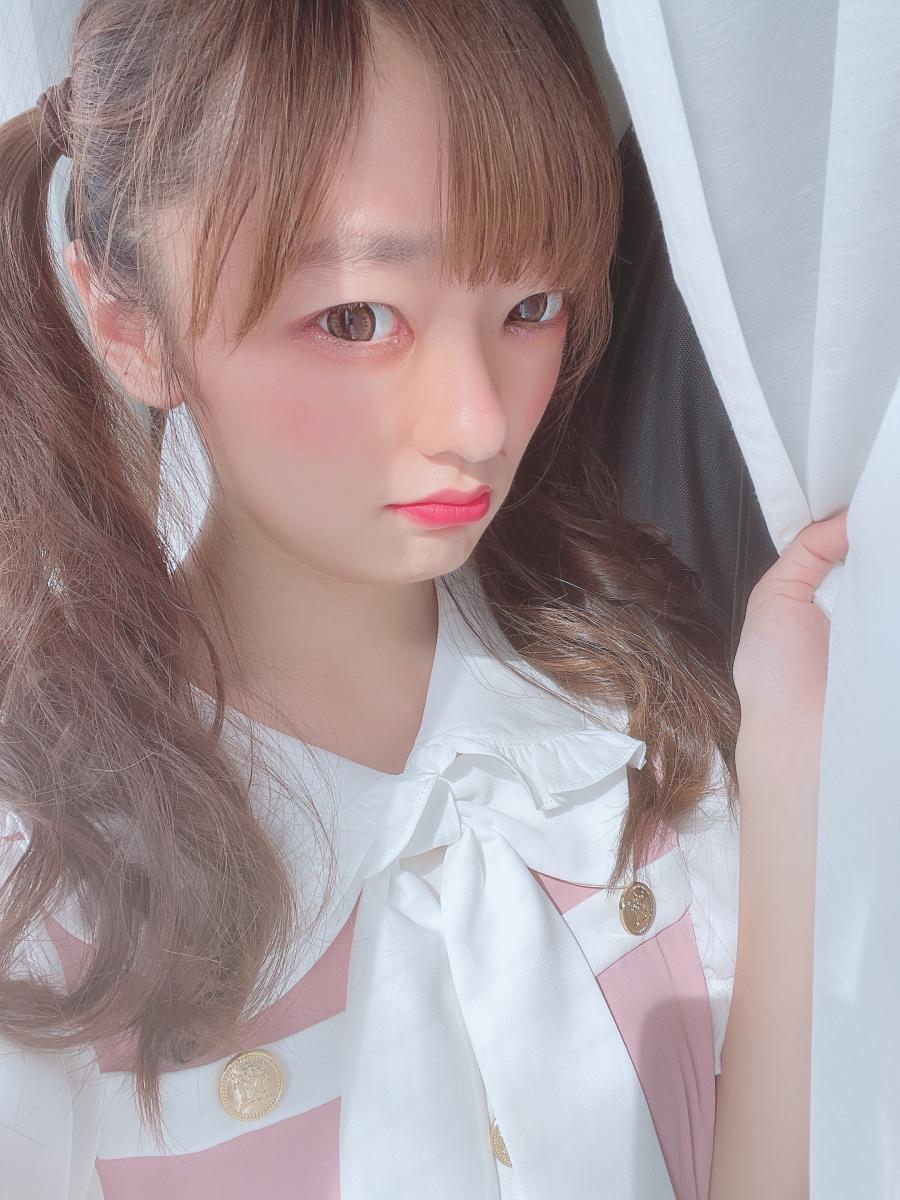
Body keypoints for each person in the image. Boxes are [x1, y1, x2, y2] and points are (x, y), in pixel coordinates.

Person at [0, 1, 846, 1198]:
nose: (480, 419)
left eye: (532, 306)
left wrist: (793, 771)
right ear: (129, 321)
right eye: (357, 318)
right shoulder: (45, 871)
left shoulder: (630, 725)